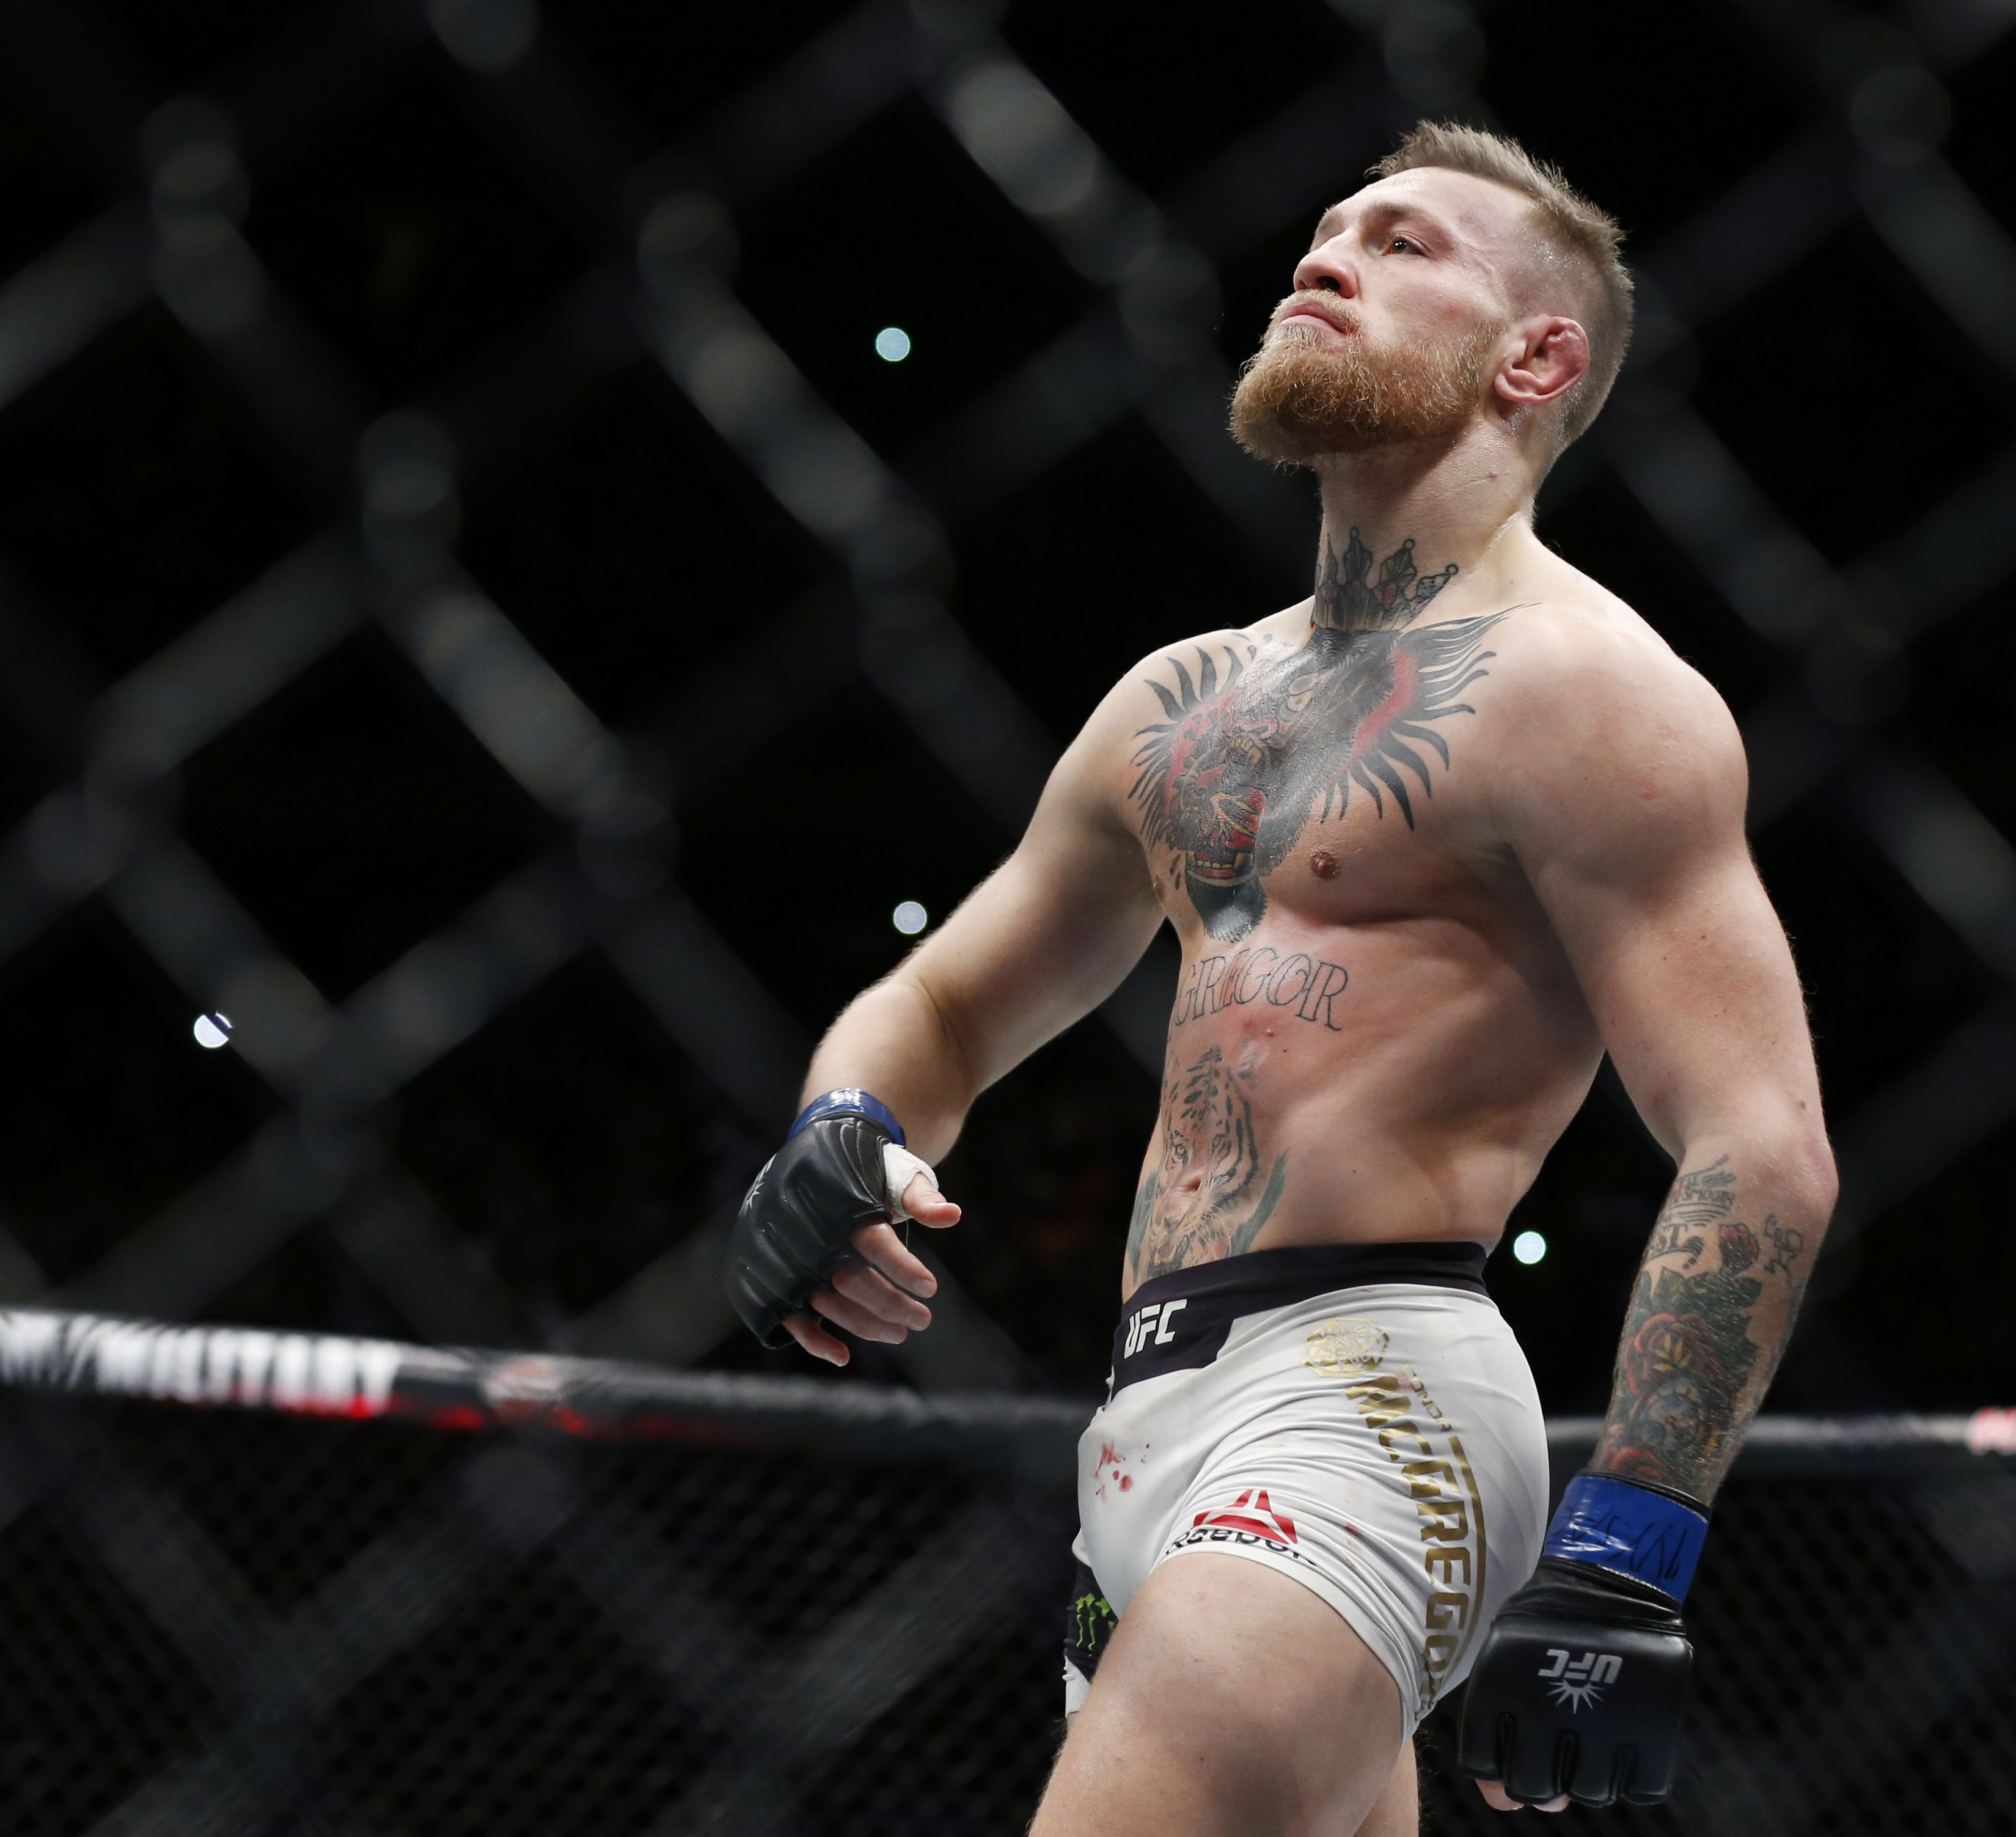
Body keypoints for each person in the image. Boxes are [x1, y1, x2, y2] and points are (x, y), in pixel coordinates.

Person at [726, 121, 1836, 1835]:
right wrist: (843, 1124)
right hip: (1141, 1420)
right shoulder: (1183, 704)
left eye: (1402, 246)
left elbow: (1759, 1140)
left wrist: (1634, 1546)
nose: (1324, 259)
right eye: (1325, 231)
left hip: (1368, 1388)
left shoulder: (1593, 693)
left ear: (1533, 358)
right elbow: (943, 1003)